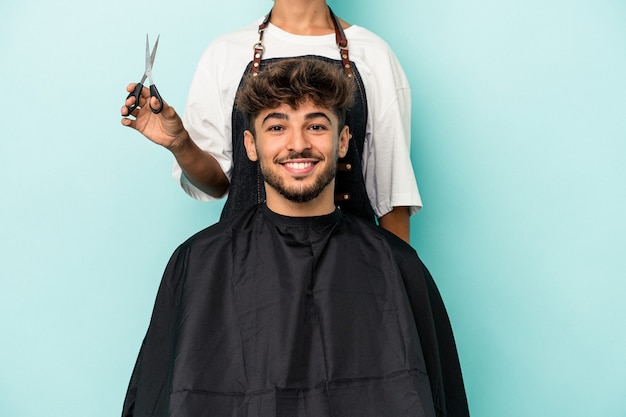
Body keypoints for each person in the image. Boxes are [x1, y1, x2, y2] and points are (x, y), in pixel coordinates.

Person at [121, 58, 469, 417]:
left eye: (316, 125)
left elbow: (438, 401)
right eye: (276, 127)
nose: (297, 144)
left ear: (344, 140)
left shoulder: (398, 266)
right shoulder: (198, 263)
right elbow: (155, 400)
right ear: (251, 145)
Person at [121, 0, 421, 243]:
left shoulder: (374, 54)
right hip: (244, 267)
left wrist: (400, 288)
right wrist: (180, 144)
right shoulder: (224, 53)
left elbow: (393, 196)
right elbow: (216, 185)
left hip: (351, 269)